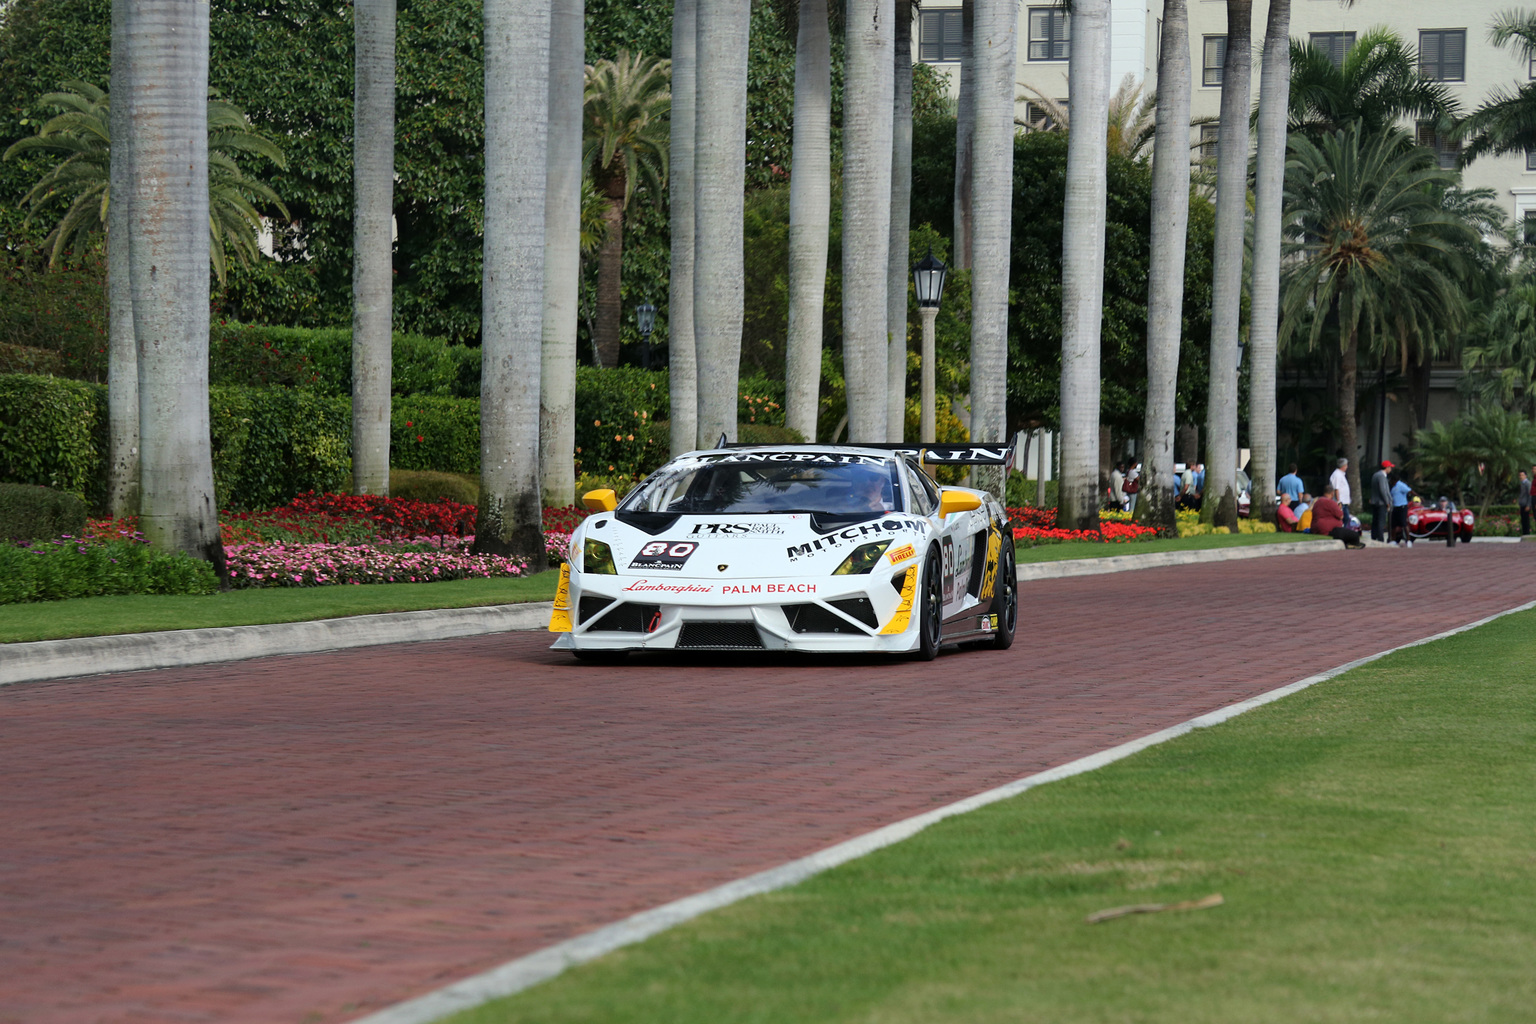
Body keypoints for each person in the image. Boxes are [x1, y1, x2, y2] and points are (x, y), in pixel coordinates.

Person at [1369, 460, 1393, 544]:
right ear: (1386, 467)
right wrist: (1387, 502)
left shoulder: (1375, 475)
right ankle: (1380, 538)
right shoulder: (1382, 476)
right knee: (1381, 521)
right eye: (1390, 467)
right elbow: (1383, 490)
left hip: (1375, 501)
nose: (1390, 469)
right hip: (1381, 502)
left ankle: (1374, 536)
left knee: (1375, 520)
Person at [1390, 473, 1413, 547]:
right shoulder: (1393, 487)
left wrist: (1419, 496)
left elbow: (1410, 491)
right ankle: (1393, 540)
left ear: (1394, 480)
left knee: (1403, 523)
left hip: (1402, 507)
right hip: (1395, 507)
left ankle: (1409, 540)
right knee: (1393, 524)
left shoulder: (1401, 485)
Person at [1329, 458, 1352, 523]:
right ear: (1343, 466)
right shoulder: (1337, 475)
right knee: (1344, 518)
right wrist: (1338, 501)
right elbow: (1336, 488)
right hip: (1341, 502)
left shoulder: (1341, 474)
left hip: (1343, 501)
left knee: (1346, 518)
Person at [1519, 469, 1532, 537]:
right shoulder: (1522, 484)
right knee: (1523, 520)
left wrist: (1528, 505)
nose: (1521, 476)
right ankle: (1524, 533)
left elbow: (1530, 495)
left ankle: (1527, 534)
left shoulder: (1528, 484)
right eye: (1520, 475)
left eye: (1522, 475)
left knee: (1526, 520)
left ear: (1526, 476)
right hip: (1522, 504)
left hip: (1526, 505)